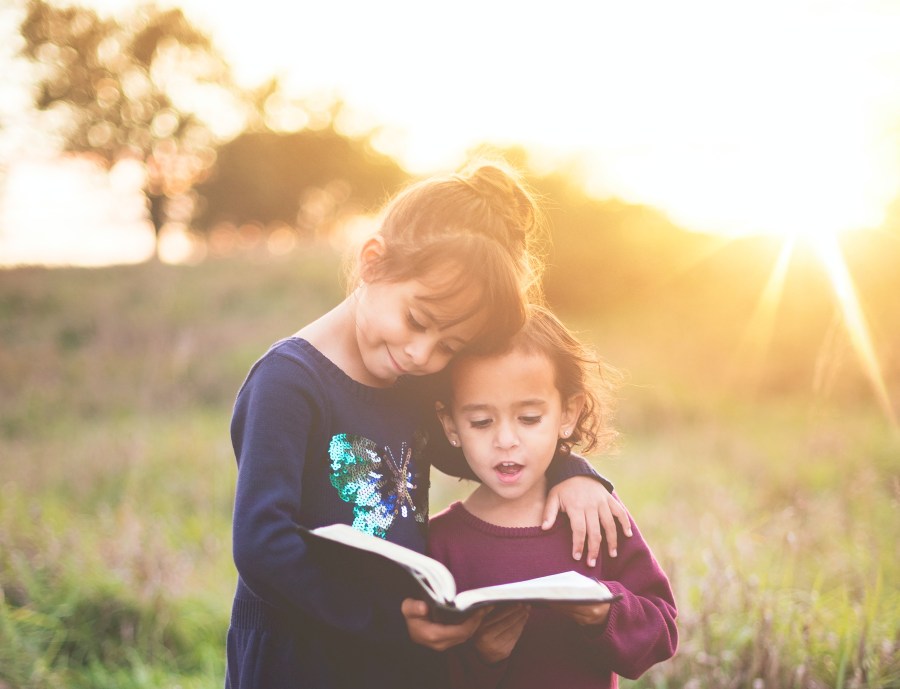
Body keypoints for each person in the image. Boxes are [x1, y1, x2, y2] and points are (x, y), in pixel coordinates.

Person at [225, 161, 632, 689]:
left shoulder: (408, 382)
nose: (422, 353)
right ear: (373, 262)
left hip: (397, 653)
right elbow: (262, 545)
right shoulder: (288, 384)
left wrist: (571, 472)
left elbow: (485, 452)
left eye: (450, 347)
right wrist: (390, 621)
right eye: (417, 321)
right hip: (299, 653)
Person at [429, 305, 678, 689]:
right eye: (481, 422)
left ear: (568, 414)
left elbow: (661, 633)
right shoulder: (440, 543)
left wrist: (603, 611)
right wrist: (482, 657)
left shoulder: (593, 515)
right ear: (451, 425)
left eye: (529, 418)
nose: (506, 440)